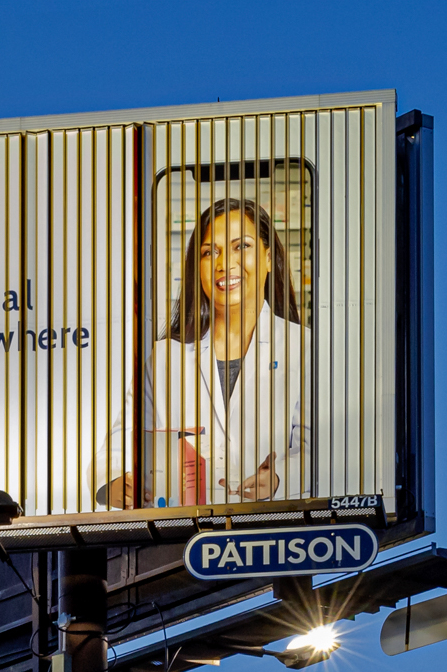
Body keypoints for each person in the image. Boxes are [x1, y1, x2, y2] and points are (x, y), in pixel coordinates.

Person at [98, 196, 313, 509]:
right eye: (210, 252)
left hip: (275, 528)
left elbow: (323, 450)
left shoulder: (303, 347)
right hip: (184, 537)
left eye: (243, 246)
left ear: (269, 258)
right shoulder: (164, 359)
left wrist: (281, 478)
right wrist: (116, 483)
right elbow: (120, 444)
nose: (225, 263)